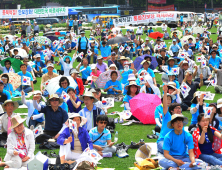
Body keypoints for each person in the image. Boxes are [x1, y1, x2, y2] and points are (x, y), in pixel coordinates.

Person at [157, 85, 183, 154]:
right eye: (177, 108)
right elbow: (165, 106)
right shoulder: (167, 115)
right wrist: (165, 93)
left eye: (179, 108)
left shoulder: (180, 119)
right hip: (163, 141)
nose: (179, 110)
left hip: (174, 141)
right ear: (172, 110)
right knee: (168, 151)